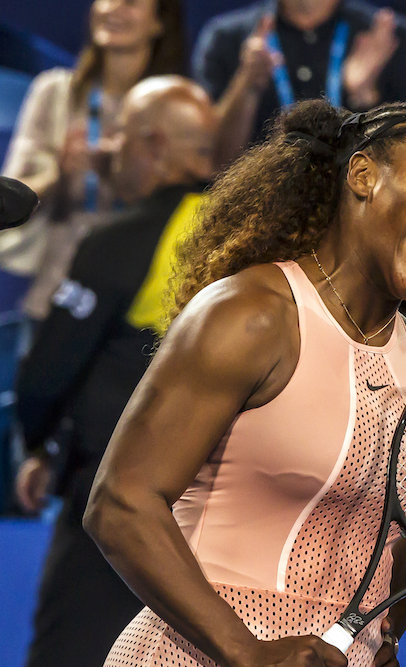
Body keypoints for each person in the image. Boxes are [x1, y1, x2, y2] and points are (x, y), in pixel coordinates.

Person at [83, 98, 406, 667]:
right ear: (363, 175)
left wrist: (382, 641)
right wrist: (248, 651)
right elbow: (121, 504)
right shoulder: (252, 312)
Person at [13, 75, 216, 667]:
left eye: (119, 136)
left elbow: (51, 368)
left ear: (152, 146)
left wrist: (38, 444)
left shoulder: (124, 237)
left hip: (116, 501)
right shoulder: (254, 236)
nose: (108, 150)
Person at [0, 0, 186, 320]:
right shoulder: (55, 91)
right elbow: (11, 197)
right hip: (54, 290)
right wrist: (59, 171)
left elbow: (182, 205)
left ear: (160, 22)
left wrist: (123, 173)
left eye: (131, 2)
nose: (113, 8)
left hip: (134, 298)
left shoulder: (177, 108)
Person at [193, 0, 406, 166]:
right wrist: (246, 86)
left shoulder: (391, 36)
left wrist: (363, 101)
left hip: (354, 217)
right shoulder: (226, 39)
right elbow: (212, 164)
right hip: (258, 214)